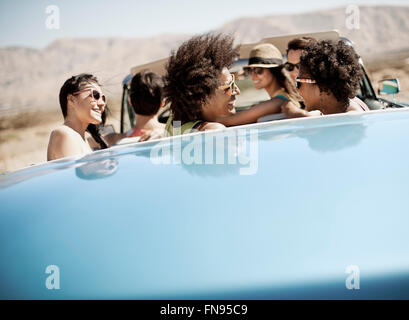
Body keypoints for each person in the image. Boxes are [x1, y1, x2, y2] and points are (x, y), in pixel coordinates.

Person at [219, 43, 316, 126]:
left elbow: (229, 121)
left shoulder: (278, 101)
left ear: (274, 71)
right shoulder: (284, 96)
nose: (253, 76)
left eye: (258, 70)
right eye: (249, 70)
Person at [164, 33, 240, 135]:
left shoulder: (174, 122)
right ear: (202, 97)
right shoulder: (214, 131)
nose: (237, 91)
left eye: (234, 82)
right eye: (228, 86)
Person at [296, 40, 370, 115]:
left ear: (322, 86)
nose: (297, 89)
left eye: (299, 83)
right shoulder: (345, 108)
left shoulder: (346, 121)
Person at [47, 73, 107, 161]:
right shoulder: (64, 134)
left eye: (103, 98)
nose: (102, 103)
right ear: (71, 99)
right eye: (95, 95)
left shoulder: (82, 139)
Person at [104, 70, 166, 145]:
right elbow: (178, 123)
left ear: (130, 101)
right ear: (163, 102)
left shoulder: (113, 140)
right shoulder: (175, 132)